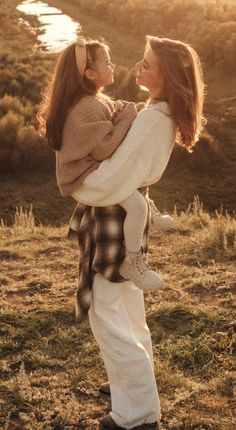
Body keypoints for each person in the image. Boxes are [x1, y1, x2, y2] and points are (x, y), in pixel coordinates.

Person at [38, 35, 205, 430]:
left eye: (147, 63)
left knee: (110, 318)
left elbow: (115, 174)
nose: (138, 67)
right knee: (128, 315)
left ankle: (136, 415)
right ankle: (132, 394)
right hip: (120, 213)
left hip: (112, 215)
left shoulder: (149, 118)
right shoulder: (154, 112)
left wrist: (85, 188)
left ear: (165, 73)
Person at [39, 36, 173, 292]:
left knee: (130, 165)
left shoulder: (97, 99)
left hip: (94, 171)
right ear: (90, 74)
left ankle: (147, 210)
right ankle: (133, 261)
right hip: (85, 178)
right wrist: (128, 118)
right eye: (107, 63)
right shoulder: (85, 108)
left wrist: (127, 115)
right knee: (135, 206)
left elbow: (116, 122)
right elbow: (103, 147)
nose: (113, 67)